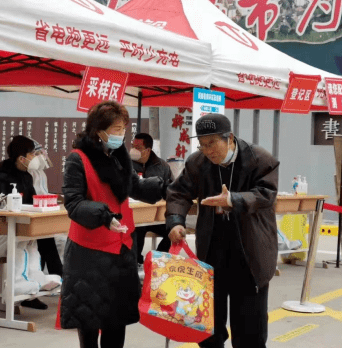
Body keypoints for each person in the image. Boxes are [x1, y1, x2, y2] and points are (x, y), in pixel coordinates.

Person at [166, 113, 279, 348]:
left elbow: (266, 194)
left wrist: (233, 200)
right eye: (203, 145)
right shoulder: (197, 163)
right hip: (212, 254)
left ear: (230, 139)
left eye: (212, 144)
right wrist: (176, 221)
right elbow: (179, 193)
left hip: (250, 254)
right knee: (208, 329)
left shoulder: (259, 159)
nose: (208, 151)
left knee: (250, 332)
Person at [61, 101, 165, 348]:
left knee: (116, 324)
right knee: (89, 323)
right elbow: (73, 203)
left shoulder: (118, 156)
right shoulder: (78, 159)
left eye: (123, 129)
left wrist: (166, 187)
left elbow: (135, 186)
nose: (121, 134)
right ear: (99, 130)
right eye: (116, 129)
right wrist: (104, 216)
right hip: (89, 252)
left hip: (121, 249)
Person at [0, 135, 63, 310]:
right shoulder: (1, 177)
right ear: (22, 158)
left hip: (23, 223)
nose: (34, 158)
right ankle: (54, 279)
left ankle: (39, 284)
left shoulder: (27, 175)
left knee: (44, 235)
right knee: (42, 238)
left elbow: (30, 201)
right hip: (2, 227)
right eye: (32, 154)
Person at [130, 133, 173, 269]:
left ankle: (157, 260)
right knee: (137, 230)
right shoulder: (127, 165)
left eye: (137, 147)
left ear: (147, 150)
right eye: (132, 146)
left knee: (173, 230)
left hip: (157, 215)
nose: (133, 150)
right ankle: (136, 262)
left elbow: (171, 189)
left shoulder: (162, 166)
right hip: (136, 215)